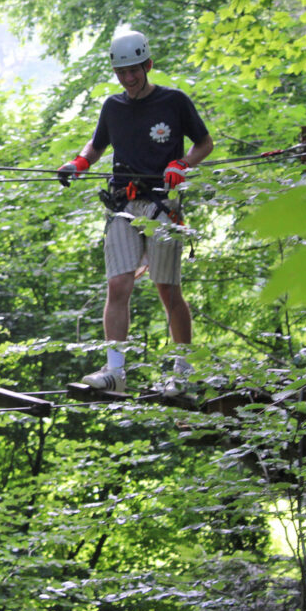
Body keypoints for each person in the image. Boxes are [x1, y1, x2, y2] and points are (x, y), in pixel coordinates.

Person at [57, 31, 213, 393]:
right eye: (121, 72)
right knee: (118, 285)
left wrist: (183, 164)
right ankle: (115, 371)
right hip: (123, 203)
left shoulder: (174, 102)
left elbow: (204, 143)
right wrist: (78, 163)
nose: (128, 79)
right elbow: (96, 146)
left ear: (147, 65)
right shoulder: (114, 107)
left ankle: (183, 371)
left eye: (134, 71)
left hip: (161, 203)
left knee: (168, 290)